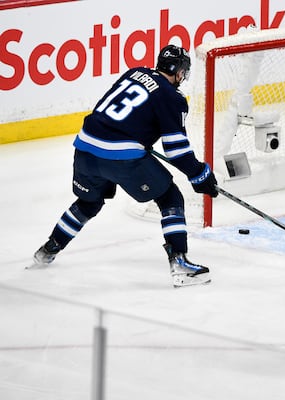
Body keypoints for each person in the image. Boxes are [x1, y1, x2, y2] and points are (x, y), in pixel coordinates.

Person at [31, 44, 218, 288]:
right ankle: (180, 263)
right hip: (121, 156)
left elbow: (114, 113)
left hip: (85, 148)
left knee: (88, 203)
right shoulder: (172, 98)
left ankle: (47, 250)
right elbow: (177, 151)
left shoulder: (134, 73)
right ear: (179, 71)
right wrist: (200, 175)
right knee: (170, 197)